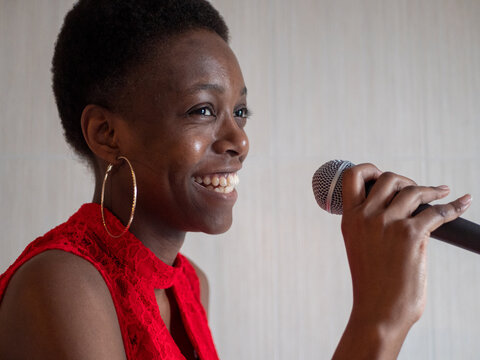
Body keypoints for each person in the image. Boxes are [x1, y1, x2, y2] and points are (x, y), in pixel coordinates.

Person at [0, 0, 472, 359]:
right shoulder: (61, 286)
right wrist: (379, 321)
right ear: (106, 134)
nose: (239, 141)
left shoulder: (190, 285)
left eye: (240, 112)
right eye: (203, 110)